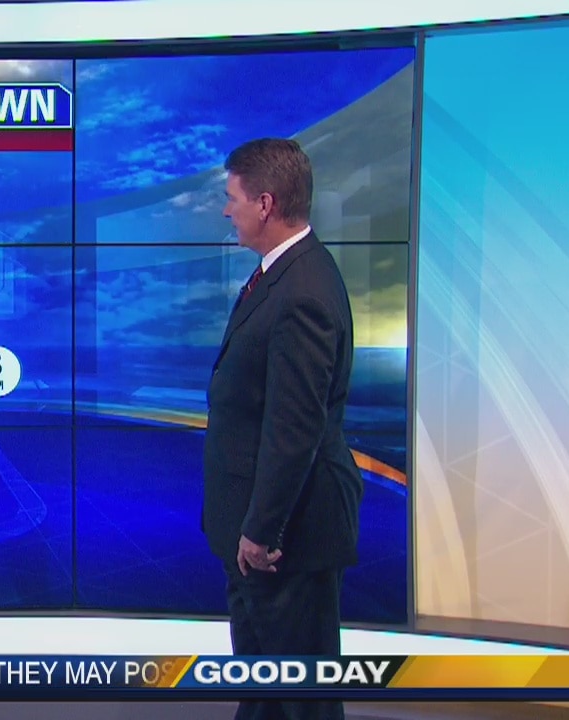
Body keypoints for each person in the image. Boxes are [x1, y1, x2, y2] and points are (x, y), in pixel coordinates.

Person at [202, 138, 364, 720]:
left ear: (265, 204)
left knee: (302, 701)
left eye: (233, 198)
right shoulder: (282, 275)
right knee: (265, 693)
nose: (228, 210)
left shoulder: (303, 292)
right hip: (256, 539)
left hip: (283, 545)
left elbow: (294, 428)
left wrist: (260, 531)